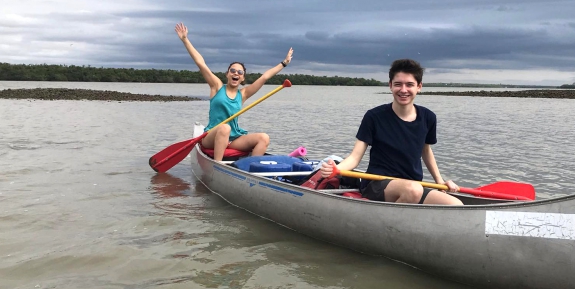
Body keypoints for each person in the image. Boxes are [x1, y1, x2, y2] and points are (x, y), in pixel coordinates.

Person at [319, 59, 463, 205]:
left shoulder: (428, 117)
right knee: (413, 190)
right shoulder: (374, 116)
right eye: (398, 84)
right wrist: (336, 169)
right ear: (390, 85)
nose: (403, 90)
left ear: (419, 87)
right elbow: (355, 157)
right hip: (377, 184)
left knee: (456, 205)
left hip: (413, 184)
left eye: (410, 85)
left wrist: (440, 182)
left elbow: (425, 151)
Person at [174, 22, 293, 160]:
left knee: (263, 138)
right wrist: (185, 40)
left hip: (234, 138)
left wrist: (284, 63)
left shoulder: (243, 94)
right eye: (232, 70)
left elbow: (265, 77)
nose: (235, 73)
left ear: (242, 78)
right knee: (224, 128)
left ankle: (250, 169)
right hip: (211, 137)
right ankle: (217, 167)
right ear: (227, 74)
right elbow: (201, 63)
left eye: (239, 72)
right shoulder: (217, 86)